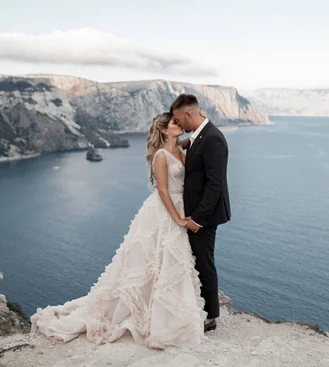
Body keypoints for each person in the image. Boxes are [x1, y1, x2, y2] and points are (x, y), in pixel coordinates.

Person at [30, 113, 207, 349]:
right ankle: (157, 316)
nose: (179, 124)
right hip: (164, 213)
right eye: (174, 123)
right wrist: (178, 219)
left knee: (170, 262)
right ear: (164, 129)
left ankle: (169, 312)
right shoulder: (161, 156)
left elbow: (194, 143)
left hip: (179, 208)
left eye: (179, 121)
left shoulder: (179, 150)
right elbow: (163, 191)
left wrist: (199, 122)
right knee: (153, 261)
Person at [170, 94, 231, 332]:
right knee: (196, 259)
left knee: (204, 261)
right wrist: (184, 144)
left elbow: (215, 184)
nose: (178, 124)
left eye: (178, 119)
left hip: (204, 215)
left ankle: (210, 317)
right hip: (196, 212)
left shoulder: (213, 139)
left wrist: (198, 219)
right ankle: (200, 307)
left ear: (188, 114)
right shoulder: (199, 136)